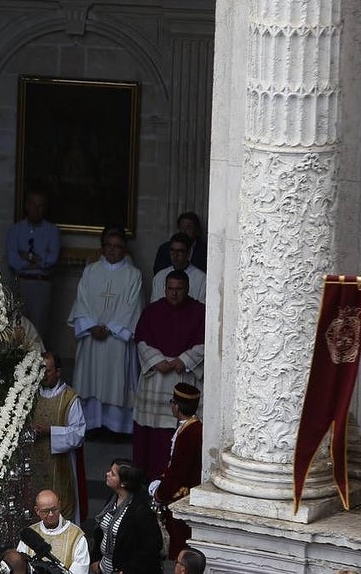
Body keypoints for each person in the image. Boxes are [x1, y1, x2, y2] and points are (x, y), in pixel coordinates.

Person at [68, 227, 144, 434]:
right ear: (102, 248)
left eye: (117, 246)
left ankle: (117, 427)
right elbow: (81, 301)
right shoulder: (91, 270)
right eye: (108, 245)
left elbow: (133, 307)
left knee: (116, 381)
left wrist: (110, 328)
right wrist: (91, 326)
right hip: (92, 338)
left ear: (125, 249)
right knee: (90, 379)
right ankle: (91, 425)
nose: (112, 250)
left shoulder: (133, 275)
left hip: (116, 340)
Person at [132, 270, 205, 480]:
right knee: (154, 433)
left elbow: (205, 342)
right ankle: (150, 476)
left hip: (184, 377)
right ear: (164, 289)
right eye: (170, 289)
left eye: (179, 289)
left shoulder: (200, 312)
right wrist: (157, 361)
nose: (174, 294)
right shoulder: (152, 311)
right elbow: (141, 340)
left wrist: (184, 359)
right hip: (157, 378)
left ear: (187, 289)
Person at [29, 352, 87, 523]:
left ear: (58, 372)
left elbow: (78, 434)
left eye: (47, 371)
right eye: (40, 371)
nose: (43, 375)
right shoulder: (30, 395)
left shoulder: (70, 398)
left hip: (61, 465)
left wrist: (51, 431)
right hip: (33, 463)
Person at [150, 384, 203, 561]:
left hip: (181, 496)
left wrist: (160, 493)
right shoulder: (189, 427)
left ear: (177, 406)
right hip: (181, 491)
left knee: (180, 548)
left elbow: (179, 470)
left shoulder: (190, 432)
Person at [89, 460, 162, 574]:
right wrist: (95, 560)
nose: (107, 474)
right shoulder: (112, 500)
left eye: (113, 474)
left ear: (123, 483)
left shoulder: (141, 511)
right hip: (103, 568)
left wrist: (126, 570)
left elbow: (151, 547)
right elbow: (101, 532)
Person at [6, 191, 61, 339]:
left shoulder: (52, 231)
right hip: (20, 284)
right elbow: (13, 261)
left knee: (38, 329)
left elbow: (52, 259)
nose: (36, 209)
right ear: (27, 206)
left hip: (41, 285)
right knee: (17, 327)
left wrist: (29, 257)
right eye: (33, 204)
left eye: (40, 206)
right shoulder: (15, 230)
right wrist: (39, 262)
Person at [16, 489, 89, 574]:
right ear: (37, 511)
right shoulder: (29, 535)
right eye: (46, 511)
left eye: (54, 509)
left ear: (59, 505)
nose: (51, 514)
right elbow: (19, 567)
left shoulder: (76, 537)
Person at [149, 233, 206, 302]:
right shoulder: (159, 277)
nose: (175, 255)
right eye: (172, 250)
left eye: (180, 251)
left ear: (189, 253)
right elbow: (155, 307)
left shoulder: (202, 279)